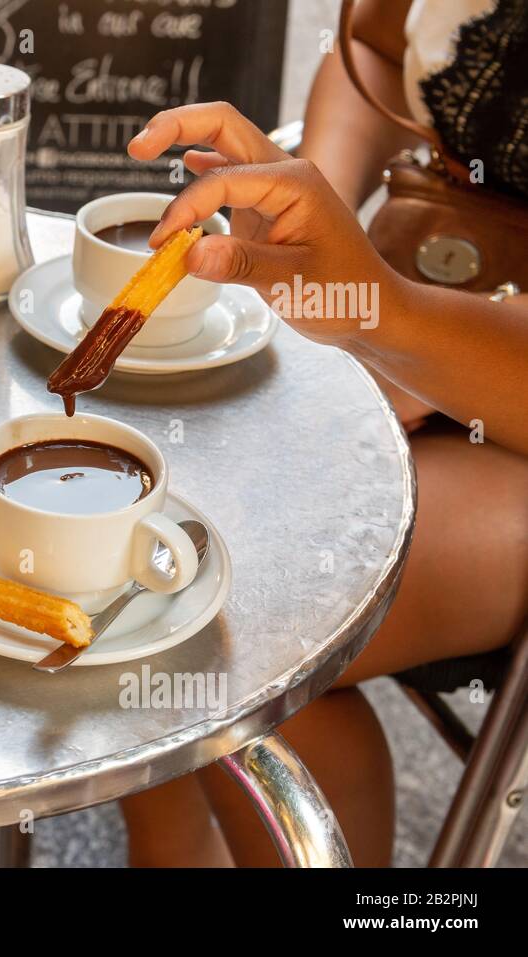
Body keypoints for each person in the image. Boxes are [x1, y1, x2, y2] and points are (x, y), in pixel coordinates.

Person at [117, 4, 528, 864]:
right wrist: (316, 194)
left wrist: (391, 320)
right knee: (150, 530)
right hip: (413, 292)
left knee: (225, 621)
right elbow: (376, 47)